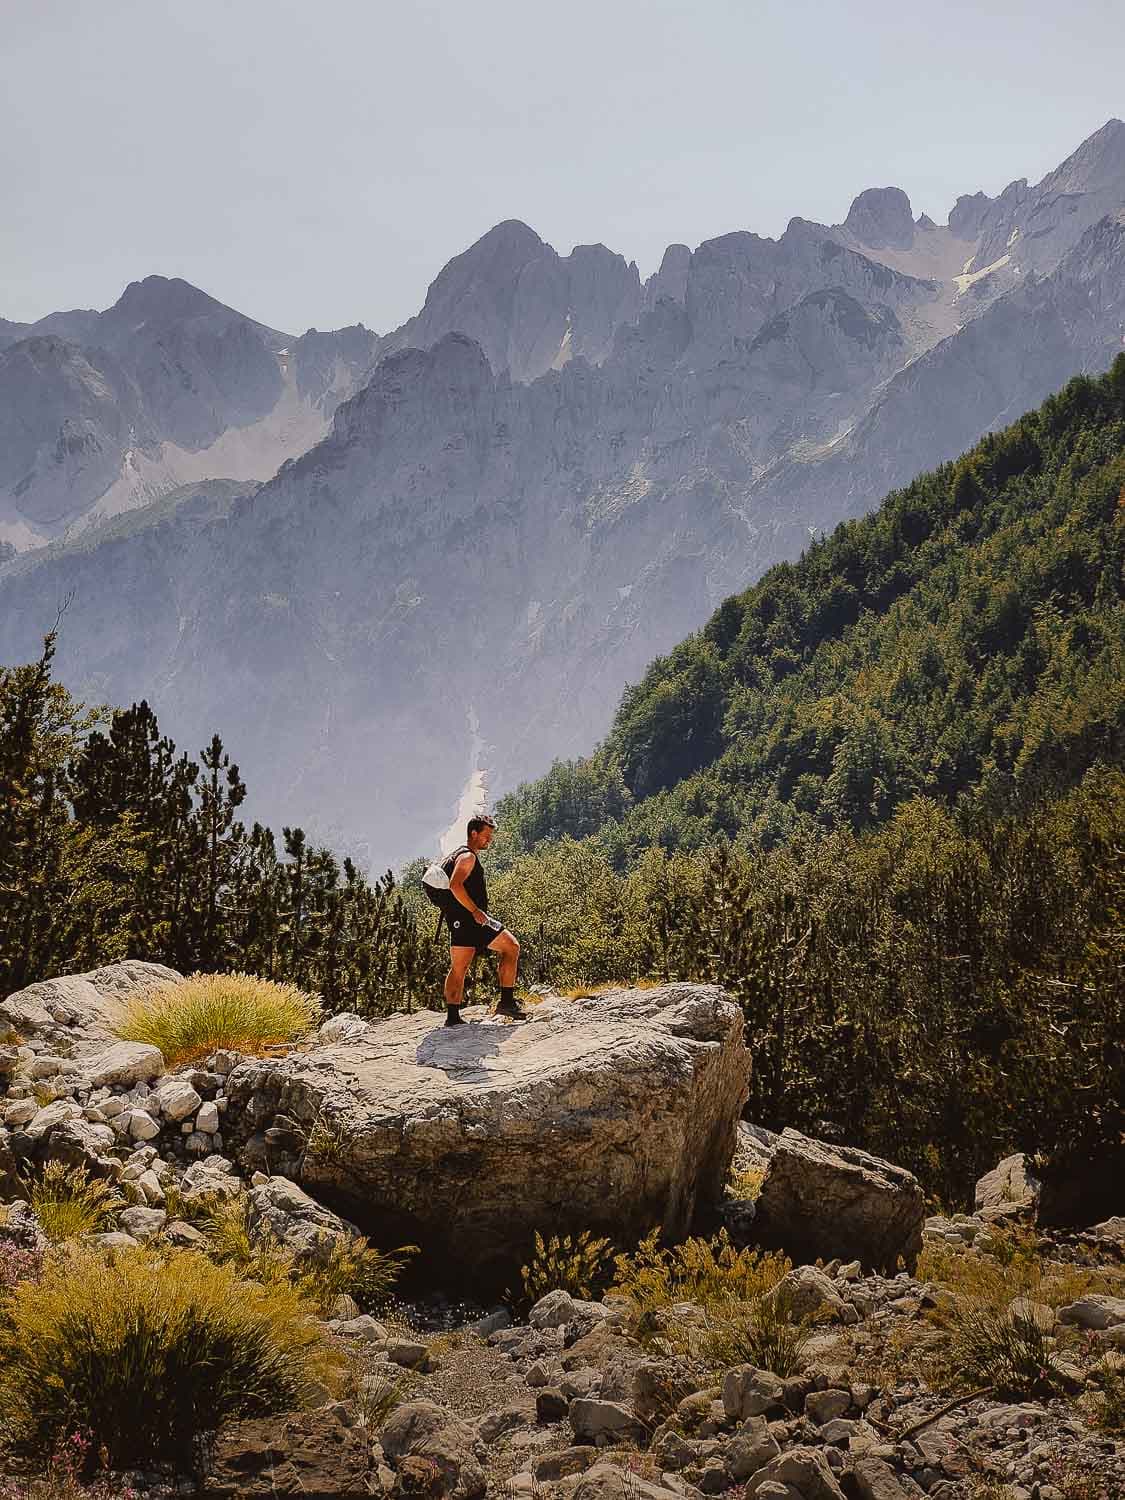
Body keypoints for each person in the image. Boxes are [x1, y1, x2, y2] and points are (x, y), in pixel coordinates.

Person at [441, 814, 525, 1026]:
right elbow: (455, 885)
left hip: (458, 921)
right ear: (474, 833)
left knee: (458, 968)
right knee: (512, 947)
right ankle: (506, 1002)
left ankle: (452, 1018)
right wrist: (476, 911)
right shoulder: (468, 857)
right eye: (487, 835)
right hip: (474, 921)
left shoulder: (456, 854)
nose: (490, 840)